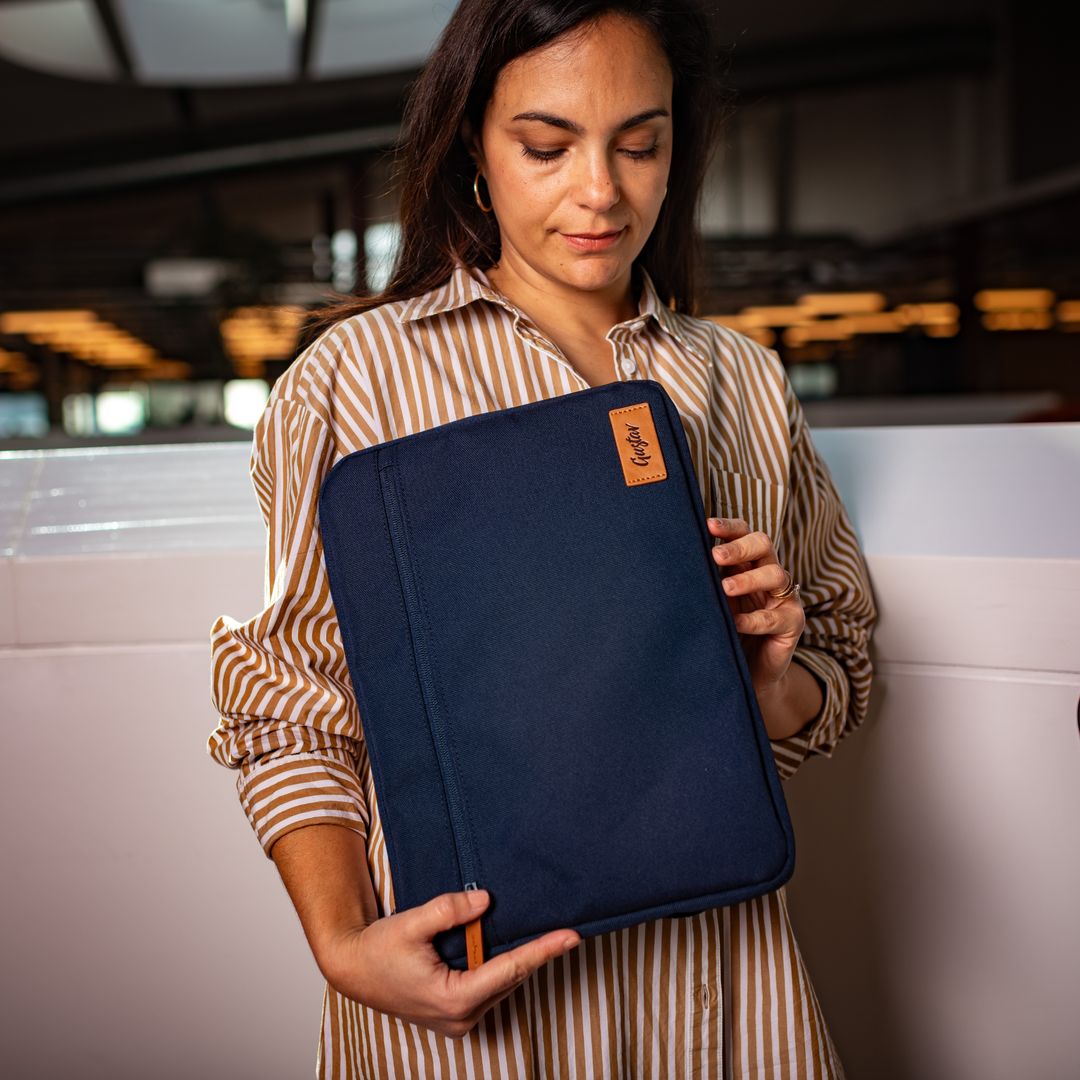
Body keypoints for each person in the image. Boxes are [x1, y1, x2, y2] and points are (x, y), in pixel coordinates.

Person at [209, 1, 876, 1075]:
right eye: (546, 145)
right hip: (484, 1006)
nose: (602, 191)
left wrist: (769, 683)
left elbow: (843, 670)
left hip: (724, 988)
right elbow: (287, 704)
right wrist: (341, 947)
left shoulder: (743, 380)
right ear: (473, 143)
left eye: (641, 143)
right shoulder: (355, 380)